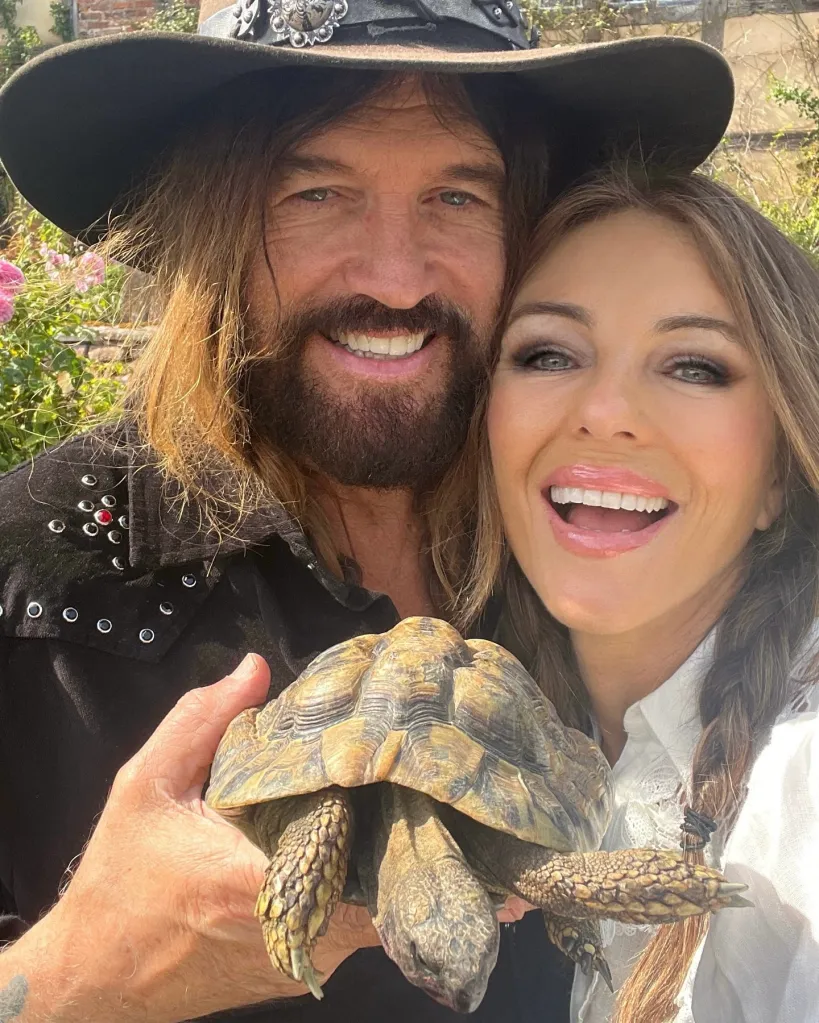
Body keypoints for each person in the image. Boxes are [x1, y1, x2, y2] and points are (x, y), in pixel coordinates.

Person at [0, 3, 733, 1020]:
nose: (396, 276)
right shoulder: (36, 579)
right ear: (208, 222)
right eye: (317, 191)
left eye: (456, 196)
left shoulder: (607, 523)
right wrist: (90, 972)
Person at [449, 166, 819, 1022]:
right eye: (547, 353)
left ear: (777, 470)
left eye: (693, 366)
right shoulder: (486, 722)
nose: (605, 409)